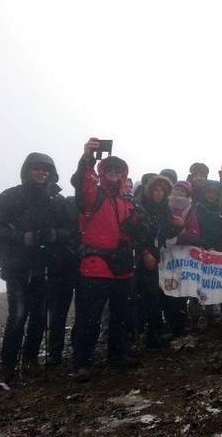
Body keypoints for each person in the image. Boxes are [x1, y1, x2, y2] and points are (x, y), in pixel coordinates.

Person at [0, 152, 70, 385]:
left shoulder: (56, 200)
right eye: (37, 168)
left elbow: (69, 229)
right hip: (17, 267)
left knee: (39, 316)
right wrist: (21, 237)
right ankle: (7, 366)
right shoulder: (9, 197)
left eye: (46, 169)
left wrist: (53, 234)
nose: (41, 173)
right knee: (18, 315)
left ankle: (30, 360)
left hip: (44, 266)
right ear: (27, 171)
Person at [70, 138, 139, 382]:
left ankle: (117, 354)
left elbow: (136, 229)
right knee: (90, 316)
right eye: (110, 168)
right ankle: (82, 362)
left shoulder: (128, 201)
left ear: (123, 174)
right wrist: (87, 158)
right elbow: (82, 181)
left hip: (122, 265)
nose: (114, 172)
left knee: (121, 314)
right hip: (96, 264)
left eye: (118, 169)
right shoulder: (93, 195)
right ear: (102, 171)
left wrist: (137, 228)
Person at [133, 175, 182, 346]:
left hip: (155, 255)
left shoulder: (163, 209)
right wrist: (145, 252)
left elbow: (166, 233)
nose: (159, 193)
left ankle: (153, 335)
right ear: (149, 190)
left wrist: (178, 226)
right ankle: (139, 335)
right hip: (140, 257)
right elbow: (135, 233)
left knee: (153, 296)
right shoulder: (140, 207)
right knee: (142, 298)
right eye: (155, 189)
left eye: (162, 190)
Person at [45, 195, 80, 367]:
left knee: (58, 313)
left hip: (61, 267)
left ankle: (56, 351)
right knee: (80, 311)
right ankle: (75, 345)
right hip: (74, 266)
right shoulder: (80, 211)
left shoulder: (55, 209)